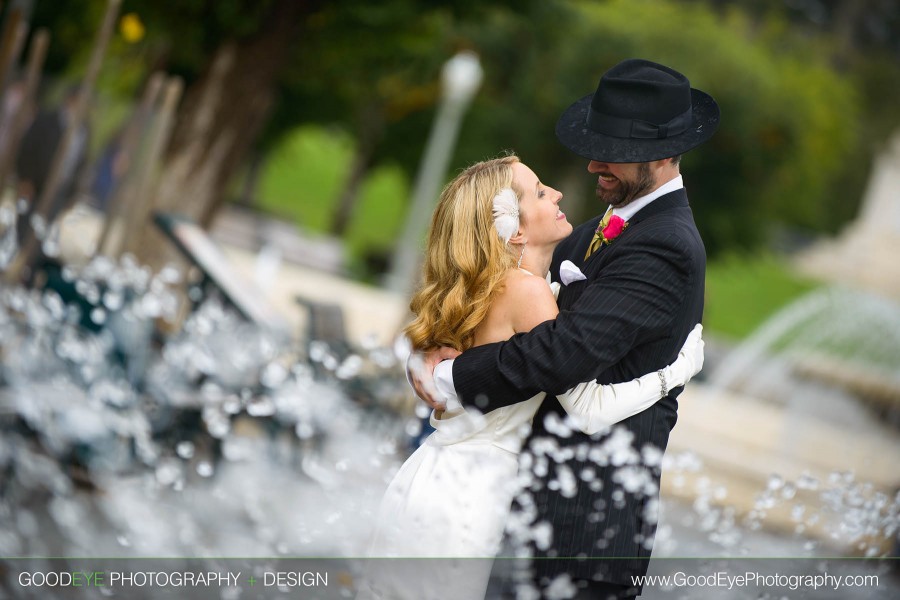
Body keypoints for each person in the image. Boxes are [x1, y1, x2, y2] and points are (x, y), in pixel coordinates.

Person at [410, 59, 720, 599]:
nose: (594, 162)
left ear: (666, 153)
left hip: (585, 536)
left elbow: (564, 354)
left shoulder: (666, 243)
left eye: (615, 150)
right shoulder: (588, 234)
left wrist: (451, 377)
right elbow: (494, 305)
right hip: (517, 511)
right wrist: (433, 352)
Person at [359, 154, 704, 600]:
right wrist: (673, 373)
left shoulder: (490, 284)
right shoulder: (528, 292)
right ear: (517, 230)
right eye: (541, 192)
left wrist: (430, 370)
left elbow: (433, 351)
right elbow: (585, 406)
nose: (558, 193)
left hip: (428, 474)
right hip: (474, 493)